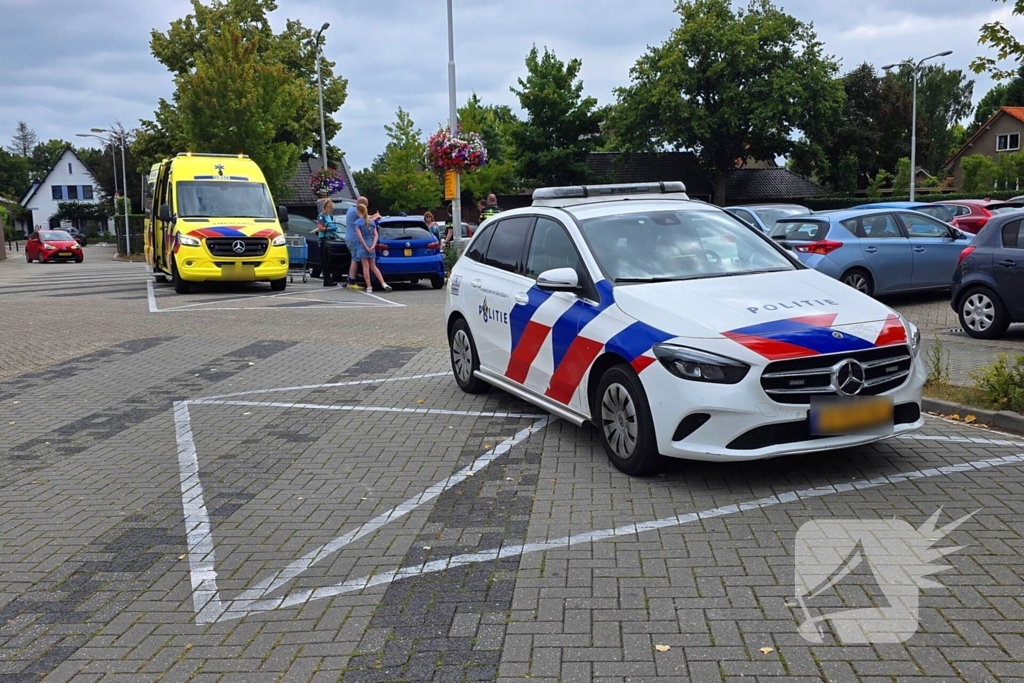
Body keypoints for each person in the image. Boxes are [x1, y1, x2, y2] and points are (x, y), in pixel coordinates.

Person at [345, 196, 381, 290]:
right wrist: (376, 216)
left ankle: (351, 280)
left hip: (350, 238)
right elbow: (366, 221)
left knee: (355, 259)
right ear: (363, 206)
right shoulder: (355, 211)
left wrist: (374, 216)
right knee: (355, 259)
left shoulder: (351, 209)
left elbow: (366, 217)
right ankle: (351, 282)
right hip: (354, 239)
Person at [354, 204, 391, 294]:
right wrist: (373, 245)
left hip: (363, 246)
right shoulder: (371, 222)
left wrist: (366, 247)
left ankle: (369, 287)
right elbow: (376, 235)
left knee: (365, 267)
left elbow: (360, 237)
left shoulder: (357, 223)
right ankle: (383, 283)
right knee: (373, 266)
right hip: (371, 244)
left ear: (359, 211)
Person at [316, 199, 341, 287]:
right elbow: (320, 228)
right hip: (324, 239)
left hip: (329, 238)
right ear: (327, 207)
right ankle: (326, 280)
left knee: (329, 261)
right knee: (325, 260)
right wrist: (330, 229)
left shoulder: (328, 216)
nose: (331, 210)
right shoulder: (321, 216)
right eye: (331, 209)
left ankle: (329, 279)